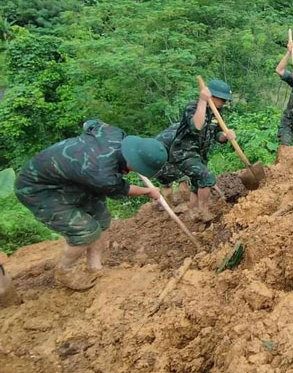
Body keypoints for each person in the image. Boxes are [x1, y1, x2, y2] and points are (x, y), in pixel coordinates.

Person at [14, 120, 167, 290]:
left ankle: (95, 267)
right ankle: (65, 272)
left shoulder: (115, 133)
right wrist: (148, 191)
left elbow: (90, 123)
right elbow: (122, 189)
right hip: (39, 188)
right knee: (86, 231)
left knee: (102, 220)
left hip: (75, 179)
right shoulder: (103, 175)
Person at [169, 79, 236, 222]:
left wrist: (226, 136)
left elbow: (218, 135)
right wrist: (203, 101)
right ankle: (203, 212)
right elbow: (197, 126)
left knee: (196, 185)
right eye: (222, 99)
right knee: (207, 176)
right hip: (184, 153)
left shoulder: (218, 112)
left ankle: (194, 214)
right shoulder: (193, 107)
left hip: (200, 154)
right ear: (213, 96)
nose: (224, 103)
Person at [153, 122, 190, 205]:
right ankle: (188, 205)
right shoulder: (185, 132)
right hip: (163, 156)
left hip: (151, 160)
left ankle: (169, 206)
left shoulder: (176, 126)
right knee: (183, 178)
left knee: (165, 183)